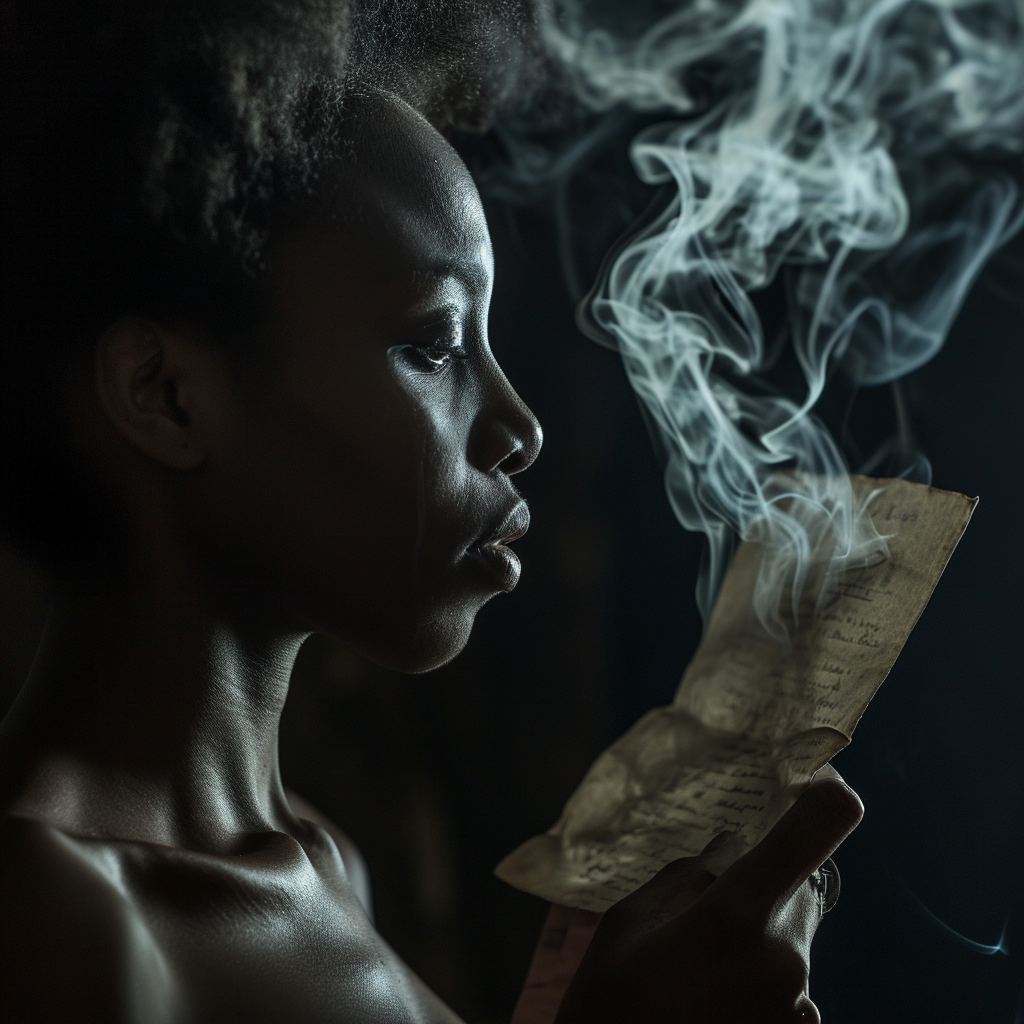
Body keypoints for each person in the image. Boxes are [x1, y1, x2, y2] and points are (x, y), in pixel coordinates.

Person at [0, 2, 863, 1021]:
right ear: (165, 394)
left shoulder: (325, 865)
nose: (517, 425)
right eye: (434, 345)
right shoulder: (45, 914)